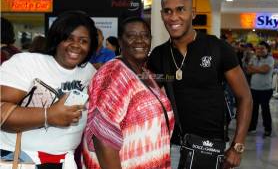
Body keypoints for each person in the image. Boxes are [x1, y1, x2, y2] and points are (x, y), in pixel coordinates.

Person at [147, 0, 252, 168]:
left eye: (181, 10)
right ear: (161, 15)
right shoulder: (159, 55)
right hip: (172, 146)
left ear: (193, 13)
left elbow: (245, 96)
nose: (173, 17)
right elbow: (145, 95)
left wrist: (237, 147)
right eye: (167, 11)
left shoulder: (217, 48)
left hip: (209, 147)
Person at [0, 10, 98, 168]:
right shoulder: (26, 63)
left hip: (65, 161)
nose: (76, 45)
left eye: (83, 41)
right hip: (20, 159)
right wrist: (48, 115)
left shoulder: (90, 72)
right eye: (68, 38)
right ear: (56, 39)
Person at [83, 17, 174, 169]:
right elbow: (103, 137)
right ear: (120, 41)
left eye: (145, 35)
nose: (140, 40)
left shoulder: (145, 74)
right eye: (131, 36)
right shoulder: (114, 73)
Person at [247, 41, 275, 137]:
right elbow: (248, 70)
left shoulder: (270, 59)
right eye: (258, 48)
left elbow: (265, 70)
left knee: (265, 109)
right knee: (253, 109)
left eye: (263, 48)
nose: (260, 50)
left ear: (267, 49)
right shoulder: (253, 58)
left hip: (266, 89)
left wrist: (254, 69)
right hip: (254, 88)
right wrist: (258, 69)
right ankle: (252, 127)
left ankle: (268, 129)